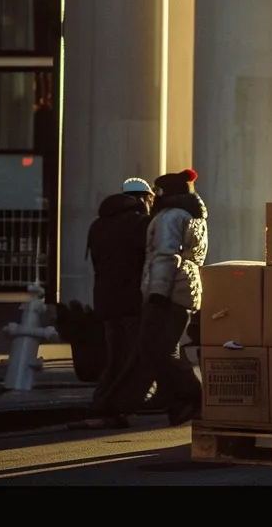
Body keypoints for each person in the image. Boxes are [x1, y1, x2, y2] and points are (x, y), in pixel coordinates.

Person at [96, 168, 209, 428]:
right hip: (184, 290)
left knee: (153, 350)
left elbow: (166, 256)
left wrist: (157, 292)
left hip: (167, 293)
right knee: (164, 349)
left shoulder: (170, 217)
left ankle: (192, 398)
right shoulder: (193, 215)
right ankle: (176, 400)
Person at [68, 178, 157, 430]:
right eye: (150, 199)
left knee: (115, 357)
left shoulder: (98, 224)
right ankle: (115, 407)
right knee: (132, 357)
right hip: (132, 301)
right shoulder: (140, 224)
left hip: (106, 302)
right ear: (142, 199)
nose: (151, 203)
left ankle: (101, 402)